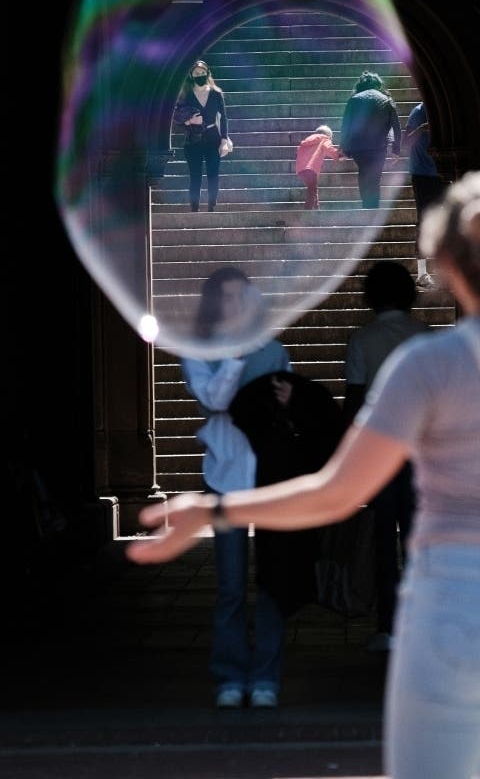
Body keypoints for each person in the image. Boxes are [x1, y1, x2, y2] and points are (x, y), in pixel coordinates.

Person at [129, 170, 480, 779]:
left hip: (451, 609)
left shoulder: (424, 364)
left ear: (442, 262)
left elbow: (337, 493)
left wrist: (213, 511)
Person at [181, 266, 293, 709]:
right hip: (225, 477)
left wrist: (288, 402)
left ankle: (265, 676)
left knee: (269, 584)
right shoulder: (200, 351)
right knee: (230, 586)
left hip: (268, 478)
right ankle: (229, 676)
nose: (235, 305)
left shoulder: (273, 350)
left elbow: (288, 403)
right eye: (227, 297)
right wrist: (234, 355)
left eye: (241, 297)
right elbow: (213, 400)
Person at [343, 260, 431, 652]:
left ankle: (387, 622)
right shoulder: (425, 337)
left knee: (381, 537)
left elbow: (354, 404)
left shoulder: (362, 340)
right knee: (417, 537)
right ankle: (419, 620)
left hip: (378, 453)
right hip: (420, 451)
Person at [173, 59, 231, 212]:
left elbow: (224, 118)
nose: (200, 75)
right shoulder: (185, 94)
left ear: (207, 73)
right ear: (191, 75)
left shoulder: (216, 93)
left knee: (213, 174)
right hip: (193, 139)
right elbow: (175, 118)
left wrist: (224, 140)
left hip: (213, 138)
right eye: (196, 73)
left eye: (203, 73)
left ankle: (212, 206)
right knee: (195, 176)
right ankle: (194, 208)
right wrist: (190, 121)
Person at [340, 70, 402, 209]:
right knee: (375, 176)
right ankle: (372, 207)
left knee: (363, 172)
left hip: (358, 147)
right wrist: (396, 149)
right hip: (379, 146)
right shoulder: (386, 100)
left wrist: (344, 148)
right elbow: (396, 127)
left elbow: (346, 125)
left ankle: (366, 206)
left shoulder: (354, 99)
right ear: (378, 84)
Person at [403, 102, 448, 287]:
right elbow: (405, 142)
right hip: (422, 173)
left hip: (443, 172)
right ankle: (422, 274)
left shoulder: (446, 109)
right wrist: (422, 129)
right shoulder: (418, 112)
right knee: (424, 220)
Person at [294, 125, 343, 210]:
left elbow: (299, 151)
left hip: (301, 168)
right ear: (328, 135)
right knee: (312, 189)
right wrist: (338, 155)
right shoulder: (324, 139)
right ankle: (308, 210)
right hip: (311, 168)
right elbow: (329, 149)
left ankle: (317, 208)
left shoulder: (308, 139)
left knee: (313, 188)